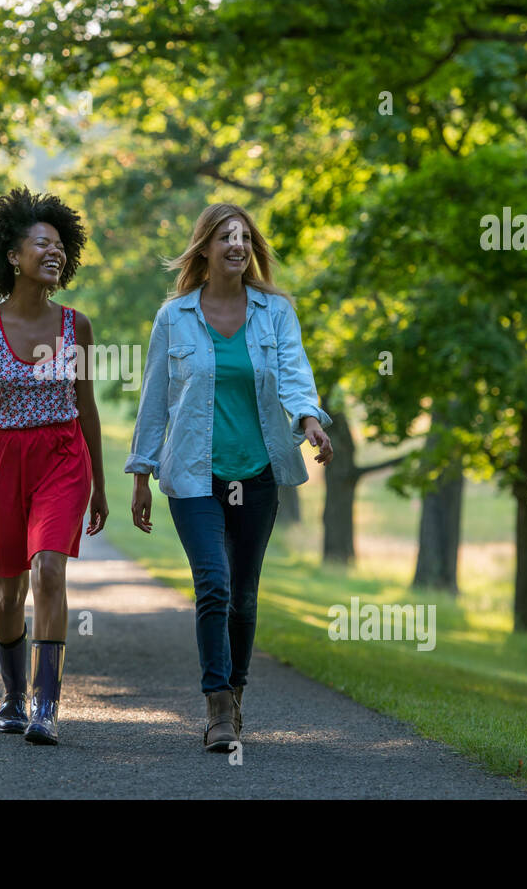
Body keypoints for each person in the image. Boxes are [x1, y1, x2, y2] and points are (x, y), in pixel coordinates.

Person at [125, 202, 333, 752]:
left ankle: (236, 692)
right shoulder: (175, 317)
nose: (237, 245)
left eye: (244, 237)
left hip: (257, 473)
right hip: (195, 475)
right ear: (205, 249)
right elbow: (156, 400)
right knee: (213, 584)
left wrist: (309, 418)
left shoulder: (274, 311)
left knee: (243, 595)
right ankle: (217, 703)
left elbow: (293, 373)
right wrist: (142, 472)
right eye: (225, 237)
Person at [0, 186, 108, 745]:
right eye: (43, 244)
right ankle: (12, 695)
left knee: (50, 570)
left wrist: (101, 486)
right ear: (14, 256)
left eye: (61, 245)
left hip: (61, 457)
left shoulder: (76, 327)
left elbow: (87, 408)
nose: (54, 253)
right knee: (8, 588)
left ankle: (45, 706)